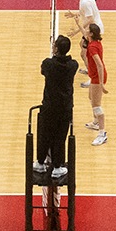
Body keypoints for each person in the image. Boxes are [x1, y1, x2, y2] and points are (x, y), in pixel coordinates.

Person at [36, 35, 79, 177]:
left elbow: (44, 69)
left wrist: (53, 54)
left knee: (45, 135)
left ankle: (40, 162)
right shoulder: (73, 65)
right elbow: (66, 62)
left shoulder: (48, 64)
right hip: (65, 108)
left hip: (49, 107)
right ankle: (57, 166)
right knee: (60, 137)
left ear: (56, 49)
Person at [81, 24, 109, 147]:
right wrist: (77, 22)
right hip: (94, 76)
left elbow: (99, 65)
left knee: (96, 105)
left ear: (91, 33)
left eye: (88, 30)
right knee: (91, 98)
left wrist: (101, 83)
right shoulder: (95, 41)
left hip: (98, 77)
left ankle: (102, 133)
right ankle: (96, 121)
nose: (86, 30)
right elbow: (84, 33)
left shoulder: (92, 47)